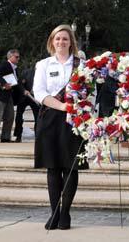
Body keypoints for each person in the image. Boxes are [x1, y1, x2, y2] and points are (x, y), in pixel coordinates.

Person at [33, 25, 88, 230]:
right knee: (53, 167)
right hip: (50, 117)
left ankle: (66, 213)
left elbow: (89, 91)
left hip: (74, 119)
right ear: (51, 42)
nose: (61, 42)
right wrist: (61, 105)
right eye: (57, 39)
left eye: (65, 39)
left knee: (70, 167)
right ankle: (54, 212)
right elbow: (38, 92)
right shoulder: (44, 64)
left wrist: (78, 108)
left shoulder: (82, 64)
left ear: (71, 42)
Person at [0, 49, 24, 143]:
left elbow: (17, 82)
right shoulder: (4, 65)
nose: (18, 59)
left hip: (9, 95)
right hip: (0, 94)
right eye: (16, 57)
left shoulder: (15, 68)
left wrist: (24, 91)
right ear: (10, 57)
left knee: (10, 116)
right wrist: (4, 84)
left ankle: (5, 137)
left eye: (18, 57)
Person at [14, 66, 39, 143]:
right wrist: (24, 90)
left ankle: (38, 136)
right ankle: (18, 136)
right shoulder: (27, 72)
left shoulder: (44, 75)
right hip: (24, 97)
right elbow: (19, 83)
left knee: (38, 117)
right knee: (18, 116)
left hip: (35, 98)